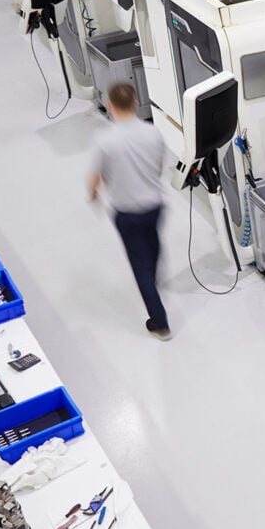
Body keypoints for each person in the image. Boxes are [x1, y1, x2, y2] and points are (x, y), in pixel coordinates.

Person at [88, 83, 171, 340]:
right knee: (154, 243)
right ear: (135, 101)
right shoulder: (154, 133)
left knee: (140, 267)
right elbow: (158, 167)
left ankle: (160, 323)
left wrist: (93, 197)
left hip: (127, 212)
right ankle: (154, 280)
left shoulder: (105, 141)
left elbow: (95, 178)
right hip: (154, 206)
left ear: (110, 106)